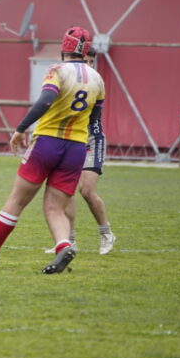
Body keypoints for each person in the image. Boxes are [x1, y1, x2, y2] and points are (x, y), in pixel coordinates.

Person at [0, 26, 105, 273]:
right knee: (55, 207)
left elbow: (45, 101)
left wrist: (20, 129)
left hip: (47, 143)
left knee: (17, 200)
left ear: (64, 47)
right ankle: (63, 246)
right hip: (76, 148)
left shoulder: (57, 71)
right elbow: (94, 119)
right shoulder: (97, 79)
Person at [46, 48, 116, 255]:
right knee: (64, 191)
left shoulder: (94, 82)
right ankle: (69, 240)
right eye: (86, 61)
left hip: (91, 139)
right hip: (69, 137)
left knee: (86, 190)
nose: (88, 65)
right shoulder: (63, 79)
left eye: (91, 61)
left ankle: (106, 233)